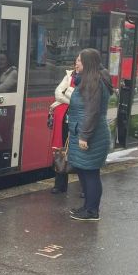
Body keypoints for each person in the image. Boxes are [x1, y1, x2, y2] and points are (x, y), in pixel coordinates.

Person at [67, 49, 113, 221]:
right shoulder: (89, 80)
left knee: (91, 173)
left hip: (91, 135)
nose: (76, 63)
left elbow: (92, 112)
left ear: (87, 63)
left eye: (79, 61)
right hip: (84, 131)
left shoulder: (94, 82)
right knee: (84, 171)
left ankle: (92, 211)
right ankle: (87, 207)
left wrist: (84, 136)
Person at [49, 62, 75, 194]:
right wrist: (71, 98)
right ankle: (60, 184)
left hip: (78, 122)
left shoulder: (90, 79)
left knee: (79, 153)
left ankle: (83, 187)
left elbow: (82, 100)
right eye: (76, 61)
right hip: (64, 120)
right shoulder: (69, 75)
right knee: (61, 150)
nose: (77, 64)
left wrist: (68, 94)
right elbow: (58, 94)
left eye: (80, 61)